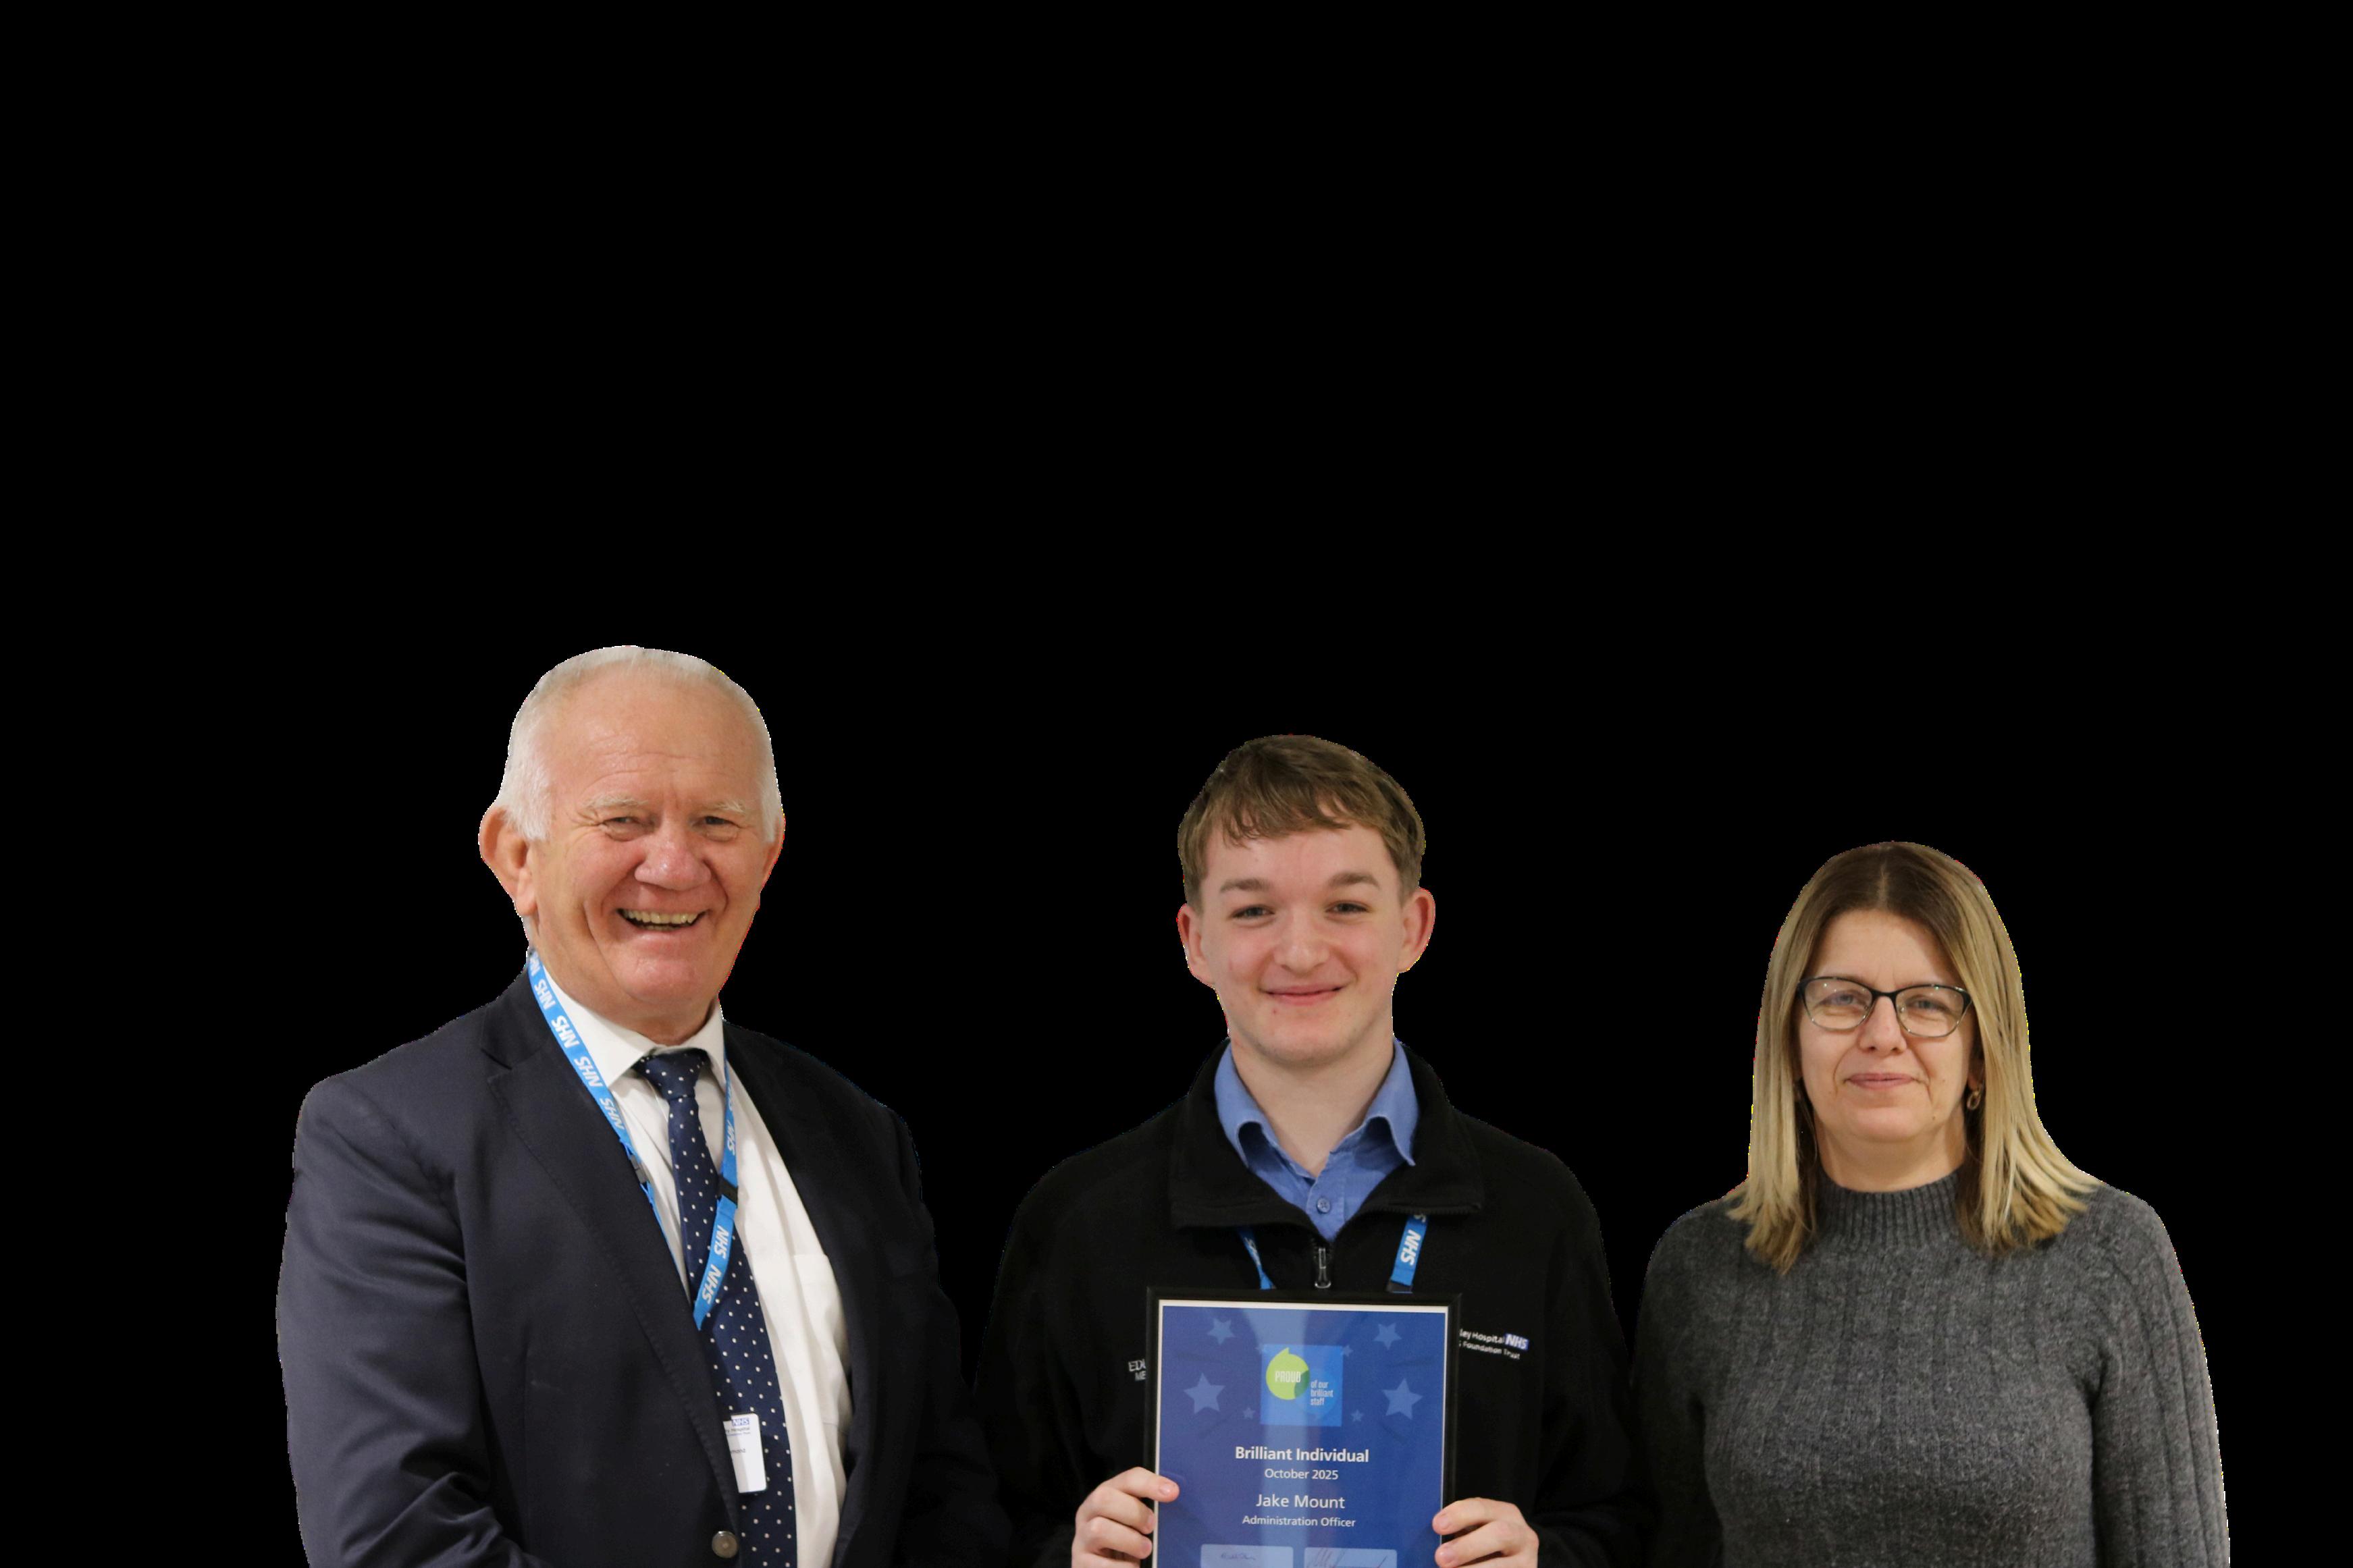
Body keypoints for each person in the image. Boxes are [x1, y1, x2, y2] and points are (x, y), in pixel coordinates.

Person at [278, 647, 1006, 1567]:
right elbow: (395, 1532)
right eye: (622, 819)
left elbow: (941, 1492)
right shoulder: (391, 1136)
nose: (673, 865)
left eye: (717, 821)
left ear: (769, 854)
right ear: (515, 855)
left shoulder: (861, 1134)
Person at [976, 735, 1648, 1568]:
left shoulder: (1536, 1207)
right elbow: (981, 1520)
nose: (1299, 951)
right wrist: (1067, 1557)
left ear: (1413, 927)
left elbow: (1622, 1515)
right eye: (1252, 910)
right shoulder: (1078, 1219)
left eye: (1345, 906)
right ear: (1194, 940)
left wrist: (1546, 1558)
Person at [1631, 841, 2227, 1566]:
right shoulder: (1698, 1267)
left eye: (1926, 1003)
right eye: (1841, 998)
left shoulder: (2108, 1254)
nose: (1882, 1036)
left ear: (1980, 1051)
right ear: (1789, 1037)